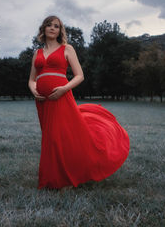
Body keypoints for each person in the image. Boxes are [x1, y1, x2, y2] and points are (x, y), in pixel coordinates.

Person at [28, 15, 130, 189]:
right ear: (43, 28)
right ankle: (52, 178)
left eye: (57, 26)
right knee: (49, 138)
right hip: (42, 101)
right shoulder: (37, 53)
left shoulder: (67, 49)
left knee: (61, 137)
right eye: (49, 25)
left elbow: (80, 76)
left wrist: (63, 89)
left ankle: (64, 178)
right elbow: (32, 79)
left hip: (61, 96)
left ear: (60, 31)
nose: (53, 28)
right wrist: (33, 90)